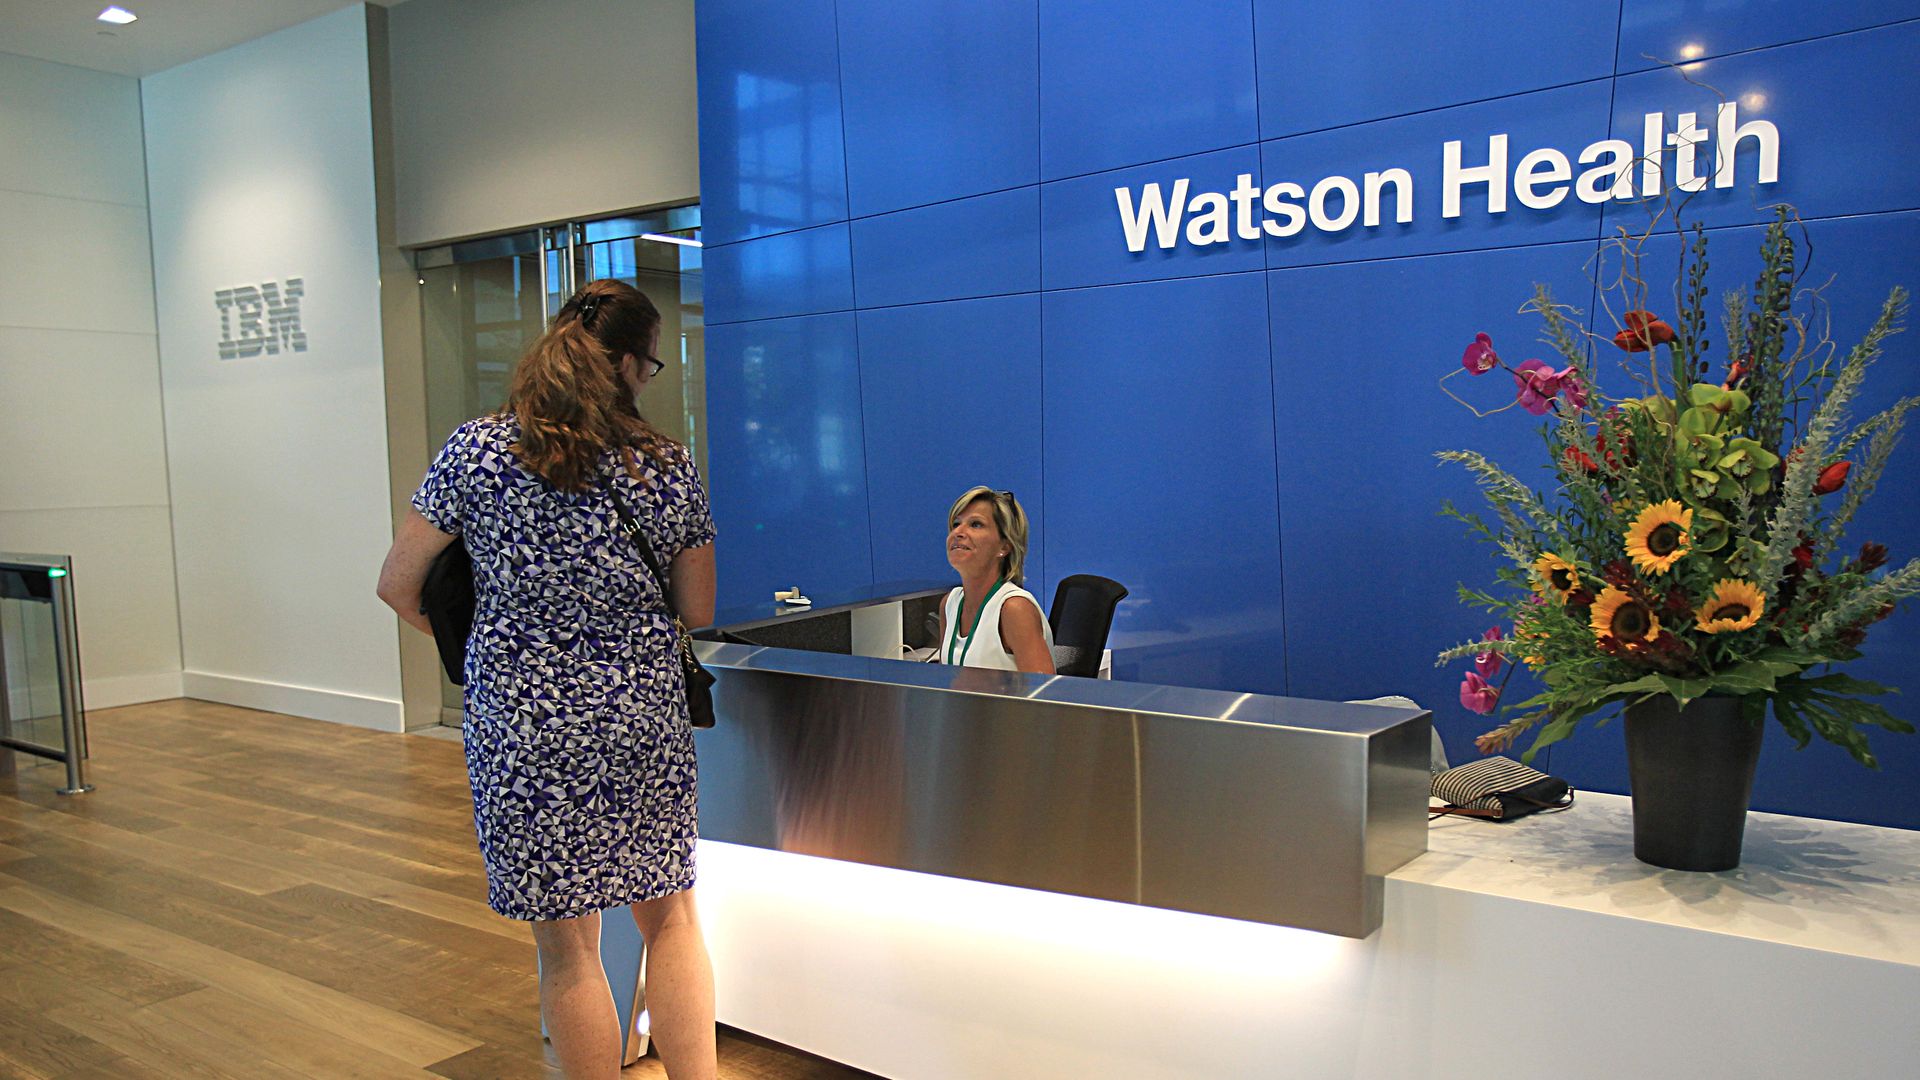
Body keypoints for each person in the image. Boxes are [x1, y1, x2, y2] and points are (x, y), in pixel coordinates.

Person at [376, 280, 718, 1080]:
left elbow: (398, 583)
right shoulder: (664, 465)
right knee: (671, 920)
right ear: (633, 365)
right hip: (642, 718)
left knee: (568, 949)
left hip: (524, 727)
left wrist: (496, 645)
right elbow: (695, 607)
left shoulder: (477, 451)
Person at [934, 486, 1054, 674]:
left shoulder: (1014, 609)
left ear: (1004, 547)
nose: (958, 532)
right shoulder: (950, 604)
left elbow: (1044, 698)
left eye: (975, 524)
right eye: (956, 524)